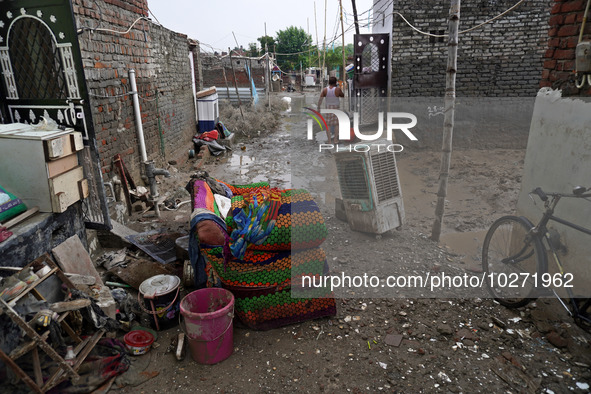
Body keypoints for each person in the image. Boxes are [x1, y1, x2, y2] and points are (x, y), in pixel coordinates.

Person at [317, 76, 344, 144]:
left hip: (328, 108)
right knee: (336, 124)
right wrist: (340, 89)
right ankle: (335, 140)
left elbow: (320, 100)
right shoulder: (337, 90)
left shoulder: (325, 90)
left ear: (329, 82)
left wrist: (318, 107)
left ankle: (329, 141)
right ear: (335, 82)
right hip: (336, 108)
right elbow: (342, 95)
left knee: (328, 125)